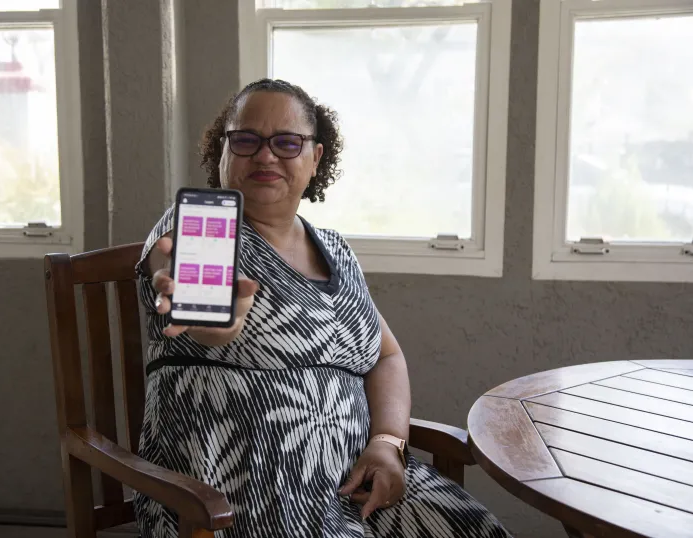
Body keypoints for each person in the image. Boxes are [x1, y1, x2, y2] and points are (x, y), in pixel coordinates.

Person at [135, 78, 510, 537]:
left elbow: (386, 355)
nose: (266, 155)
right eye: (246, 139)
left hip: (357, 484)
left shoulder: (337, 249)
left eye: (287, 142)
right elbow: (193, 306)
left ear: (315, 159)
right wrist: (209, 319)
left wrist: (388, 444)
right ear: (223, 154)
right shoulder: (194, 231)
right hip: (240, 496)